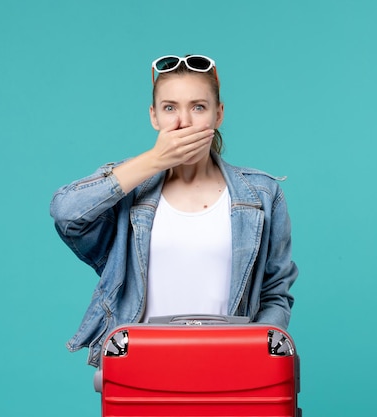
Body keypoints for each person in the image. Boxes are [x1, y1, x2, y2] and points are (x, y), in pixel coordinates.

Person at [50, 54, 298, 366]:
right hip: (142, 367)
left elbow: (275, 293)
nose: (183, 122)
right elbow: (66, 213)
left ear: (218, 115)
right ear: (153, 116)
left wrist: (252, 360)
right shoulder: (130, 191)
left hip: (228, 368)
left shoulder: (262, 195)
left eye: (198, 107)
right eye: (170, 108)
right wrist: (155, 160)